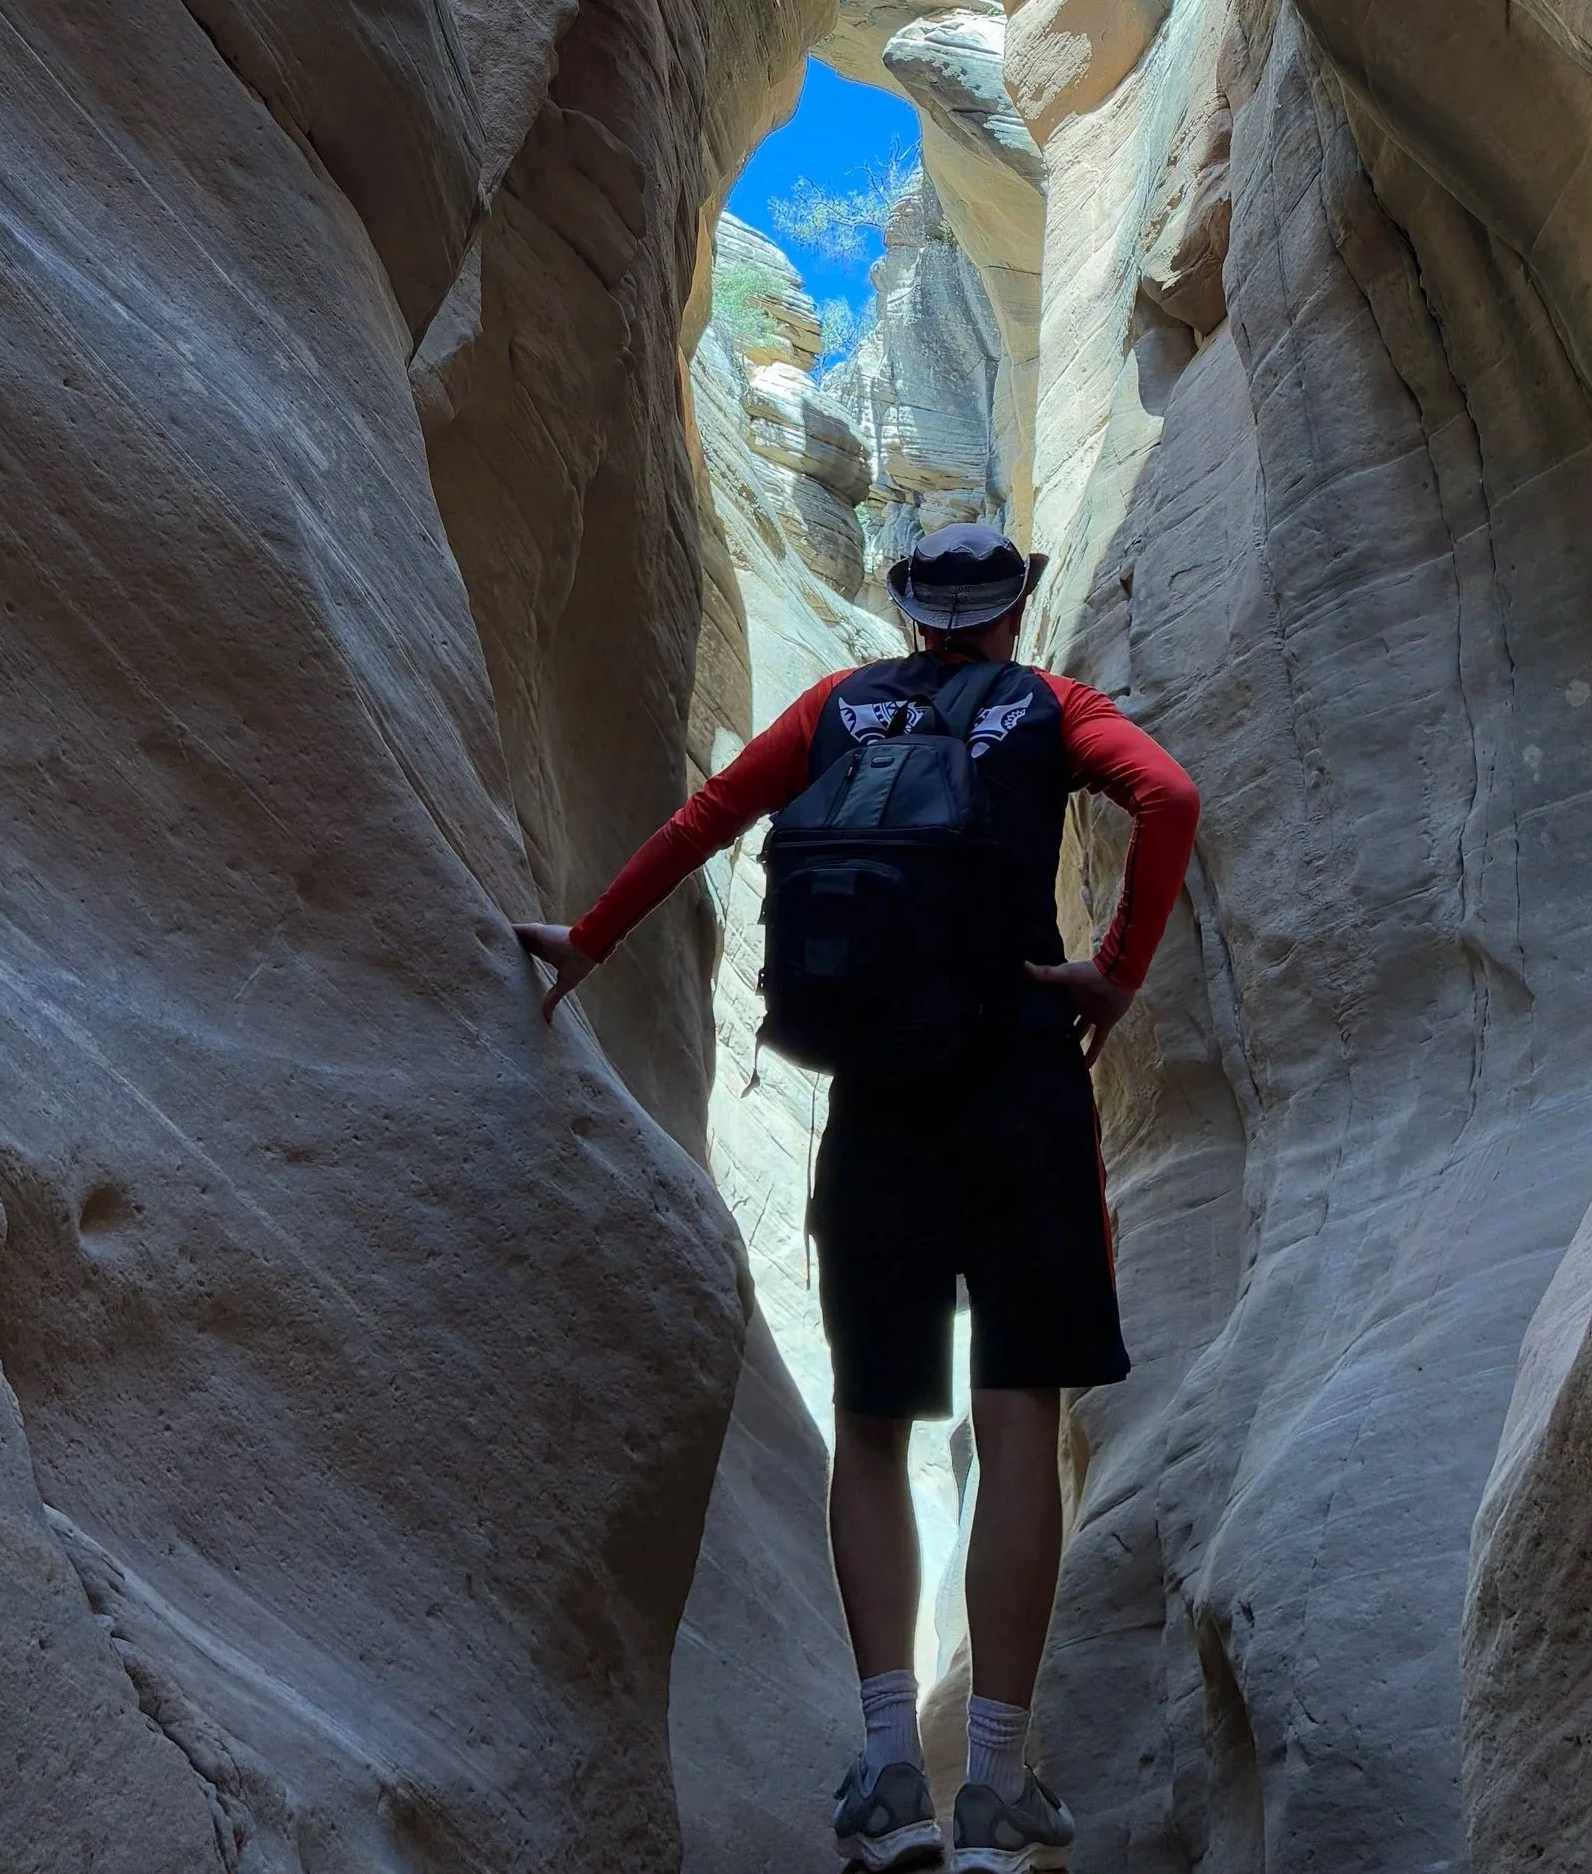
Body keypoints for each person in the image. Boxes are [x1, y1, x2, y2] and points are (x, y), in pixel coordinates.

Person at [517, 523, 1201, 1874]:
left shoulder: (835, 707)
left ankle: (889, 1770)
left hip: (878, 1103)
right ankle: (997, 1784)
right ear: (1015, 610)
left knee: (873, 1428)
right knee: (1017, 1424)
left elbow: (704, 819)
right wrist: (1114, 968)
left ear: (904, 614)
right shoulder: (1052, 707)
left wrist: (584, 939)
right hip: (1017, 1092)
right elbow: (1167, 799)